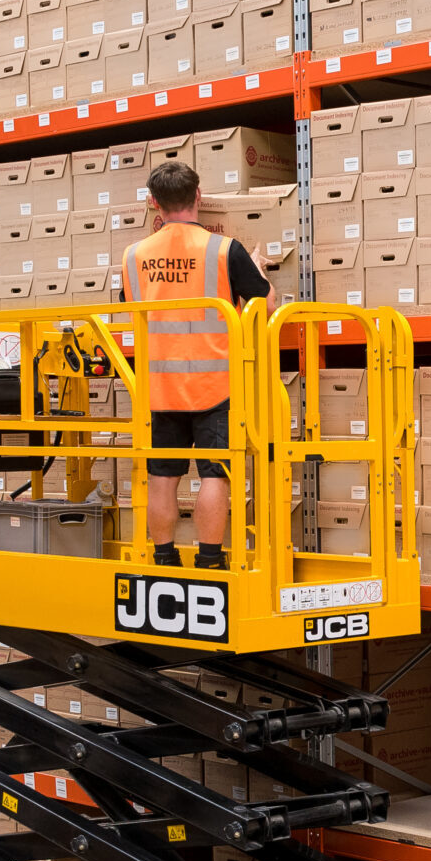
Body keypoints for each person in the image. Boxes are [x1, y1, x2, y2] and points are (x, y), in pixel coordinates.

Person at [121, 161, 270, 570]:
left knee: (162, 477)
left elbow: (130, 307)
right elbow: (264, 304)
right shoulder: (224, 249)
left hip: (159, 389)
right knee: (214, 475)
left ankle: (165, 558)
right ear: (198, 198)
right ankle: (209, 560)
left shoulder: (134, 256)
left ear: (154, 202)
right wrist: (258, 270)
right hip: (214, 385)